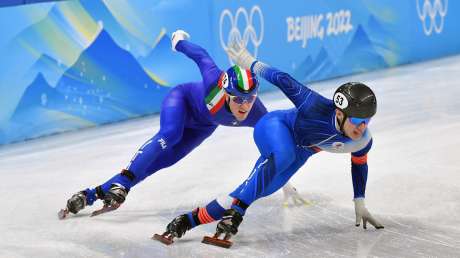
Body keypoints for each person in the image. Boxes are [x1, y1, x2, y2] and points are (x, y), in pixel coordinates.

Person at [156, 43, 384, 247]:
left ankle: (187, 220)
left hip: (301, 152)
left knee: (256, 189)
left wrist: (360, 200)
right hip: (275, 126)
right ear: (339, 113)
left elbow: (359, 164)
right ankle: (237, 211)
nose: (361, 127)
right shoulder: (313, 105)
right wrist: (249, 62)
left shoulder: (362, 140)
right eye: (356, 121)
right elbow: (282, 79)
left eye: (366, 121)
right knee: (281, 156)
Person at [60, 31, 303, 219]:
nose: (244, 105)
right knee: (170, 135)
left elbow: (275, 147)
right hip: (181, 102)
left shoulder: (257, 113)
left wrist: (285, 181)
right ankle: (122, 182)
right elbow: (201, 56)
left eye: (249, 99)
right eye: (238, 98)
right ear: (226, 92)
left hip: (203, 127)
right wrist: (179, 41)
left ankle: (92, 194)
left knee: (162, 162)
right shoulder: (213, 81)